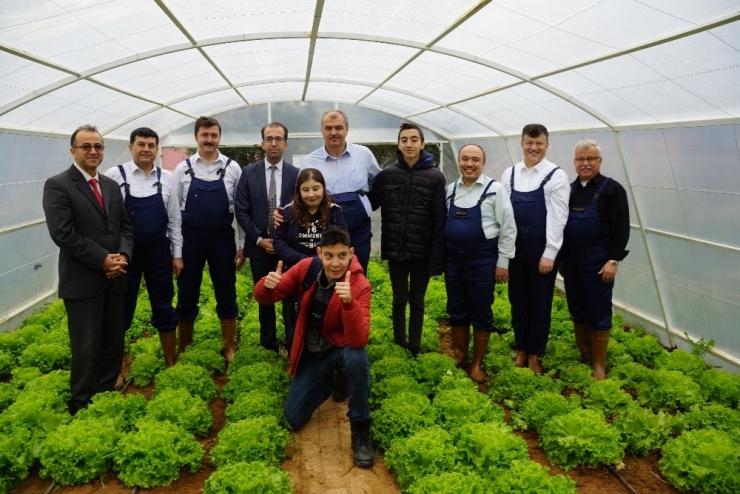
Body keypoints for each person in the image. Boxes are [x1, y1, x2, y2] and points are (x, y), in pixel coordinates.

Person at [253, 226, 374, 468]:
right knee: (293, 419)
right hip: (312, 352)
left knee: (357, 357)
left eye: (342, 255)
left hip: (339, 348)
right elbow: (268, 297)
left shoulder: (360, 285)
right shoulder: (306, 268)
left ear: (351, 253)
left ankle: (361, 429)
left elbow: (359, 339)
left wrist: (349, 304)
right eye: (329, 255)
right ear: (320, 253)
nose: (336, 263)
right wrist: (267, 286)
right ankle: (332, 381)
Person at [43, 124, 134, 414]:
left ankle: (105, 393)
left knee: (112, 341)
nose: (93, 151)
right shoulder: (58, 185)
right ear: (73, 151)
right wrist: (102, 259)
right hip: (83, 281)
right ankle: (81, 403)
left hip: (114, 278)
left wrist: (123, 256)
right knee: (85, 347)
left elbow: (124, 227)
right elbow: (63, 234)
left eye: (98, 146)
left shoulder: (109, 185)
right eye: (86, 146)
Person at [104, 127, 182, 368]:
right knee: (121, 310)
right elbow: (105, 219)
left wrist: (177, 254)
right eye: (141, 144)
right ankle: (114, 367)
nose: (146, 149)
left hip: (159, 252)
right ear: (130, 147)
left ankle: (170, 360)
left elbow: (175, 219)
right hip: (124, 255)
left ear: (156, 149)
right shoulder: (114, 176)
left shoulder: (167, 177)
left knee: (163, 304)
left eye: (151, 145)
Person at [368, 123, 446, 356]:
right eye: (404, 139)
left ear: (422, 144)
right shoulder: (387, 175)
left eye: (414, 139)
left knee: (418, 301)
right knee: (399, 298)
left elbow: (440, 219)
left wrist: (436, 258)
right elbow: (370, 203)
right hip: (396, 249)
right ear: (398, 144)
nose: (409, 144)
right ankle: (399, 343)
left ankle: (414, 345)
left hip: (422, 252)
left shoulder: (435, 177)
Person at [173, 116, 246, 362]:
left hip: (222, 240)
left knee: (227, 291)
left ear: (219, 138)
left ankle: (229, 346)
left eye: (214, 135)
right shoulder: (182, 169)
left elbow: (241, 210)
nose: (209, 139)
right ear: (196, 137)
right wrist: (176, 251)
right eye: (205, 135)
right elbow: (174, 213)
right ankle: (184, 345)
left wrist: (241, 245)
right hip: (190, 241)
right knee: (186, 293)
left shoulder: (232, 168)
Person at [501, 124, 569, 374]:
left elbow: (558, 217)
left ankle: (534, 353)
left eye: (539, 143)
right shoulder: (509, 174)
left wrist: (550, 252)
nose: (534, 148)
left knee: (540, 302)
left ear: (546, 145)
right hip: (516, 249)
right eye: (529, 143)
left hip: (542, 250)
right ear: (522, 144)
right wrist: (504, 252)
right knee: (518, 300)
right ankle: (521, 349)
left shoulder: (555, 175)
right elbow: (505, 216)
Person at [445, 144, 516, 383]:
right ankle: (460, 355)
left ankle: (477, 363)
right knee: (456, 307)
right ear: (459, 162)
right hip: (454, 259)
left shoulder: (495, 190)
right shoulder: (450, 190)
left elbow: (508, 228)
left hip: (482, 259)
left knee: (481, 310)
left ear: (483, 163)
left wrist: (503, 262)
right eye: (465, 159)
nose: (469, 164)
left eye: (475, 159)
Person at [561, 140, 630, 380]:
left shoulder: (612, 189)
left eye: (590, 159)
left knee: (598, 310)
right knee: (577, 308)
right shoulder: (568, 190)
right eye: (580, 159)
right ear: (575, 162)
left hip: (599, 263)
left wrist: (613, 260)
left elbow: (622, 228)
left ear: (599, 161)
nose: (585, 163)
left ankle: (599, 365)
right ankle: (585, 353)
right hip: (572, 263)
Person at [235, 122, 299, 353]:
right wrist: (258, 239)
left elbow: (300, 208)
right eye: (269, 138)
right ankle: (268, 343)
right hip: (260, 247)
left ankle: (292, 341)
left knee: (290, 296)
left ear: (286, 144)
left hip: (288, 247)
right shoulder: (248, 173)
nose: (274, 143)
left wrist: (283, 240)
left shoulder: (295, 174)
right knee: (264, 294)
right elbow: (241, 210)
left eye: (278, 139)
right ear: (262, 143)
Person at [293, 110, 381, 273]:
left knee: (358, 273)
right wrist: (284, 213)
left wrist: (367, 206)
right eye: (328, 128)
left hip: (359, 229)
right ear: (322, 130)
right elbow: (301, 195)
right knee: (328, 274)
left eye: (338, 127)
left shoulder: (363, 154)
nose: (334, 132)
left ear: (347, 129)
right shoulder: (310, 161)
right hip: (325, 230)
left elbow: (379, 182)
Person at [272, 168, 347, 354]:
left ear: (323, 188)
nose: (311, 194)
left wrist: (322, 263)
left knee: (322, 316)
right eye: (305, 190)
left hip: (327, 277)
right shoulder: (288, 212)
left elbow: (342, 241)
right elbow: (278, 241)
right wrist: (303, 262)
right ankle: (294, 351)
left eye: (316, 188)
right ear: (298, 191)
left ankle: (324, 353)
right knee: (294, 316)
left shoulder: (334, 212)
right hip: (295, 274)